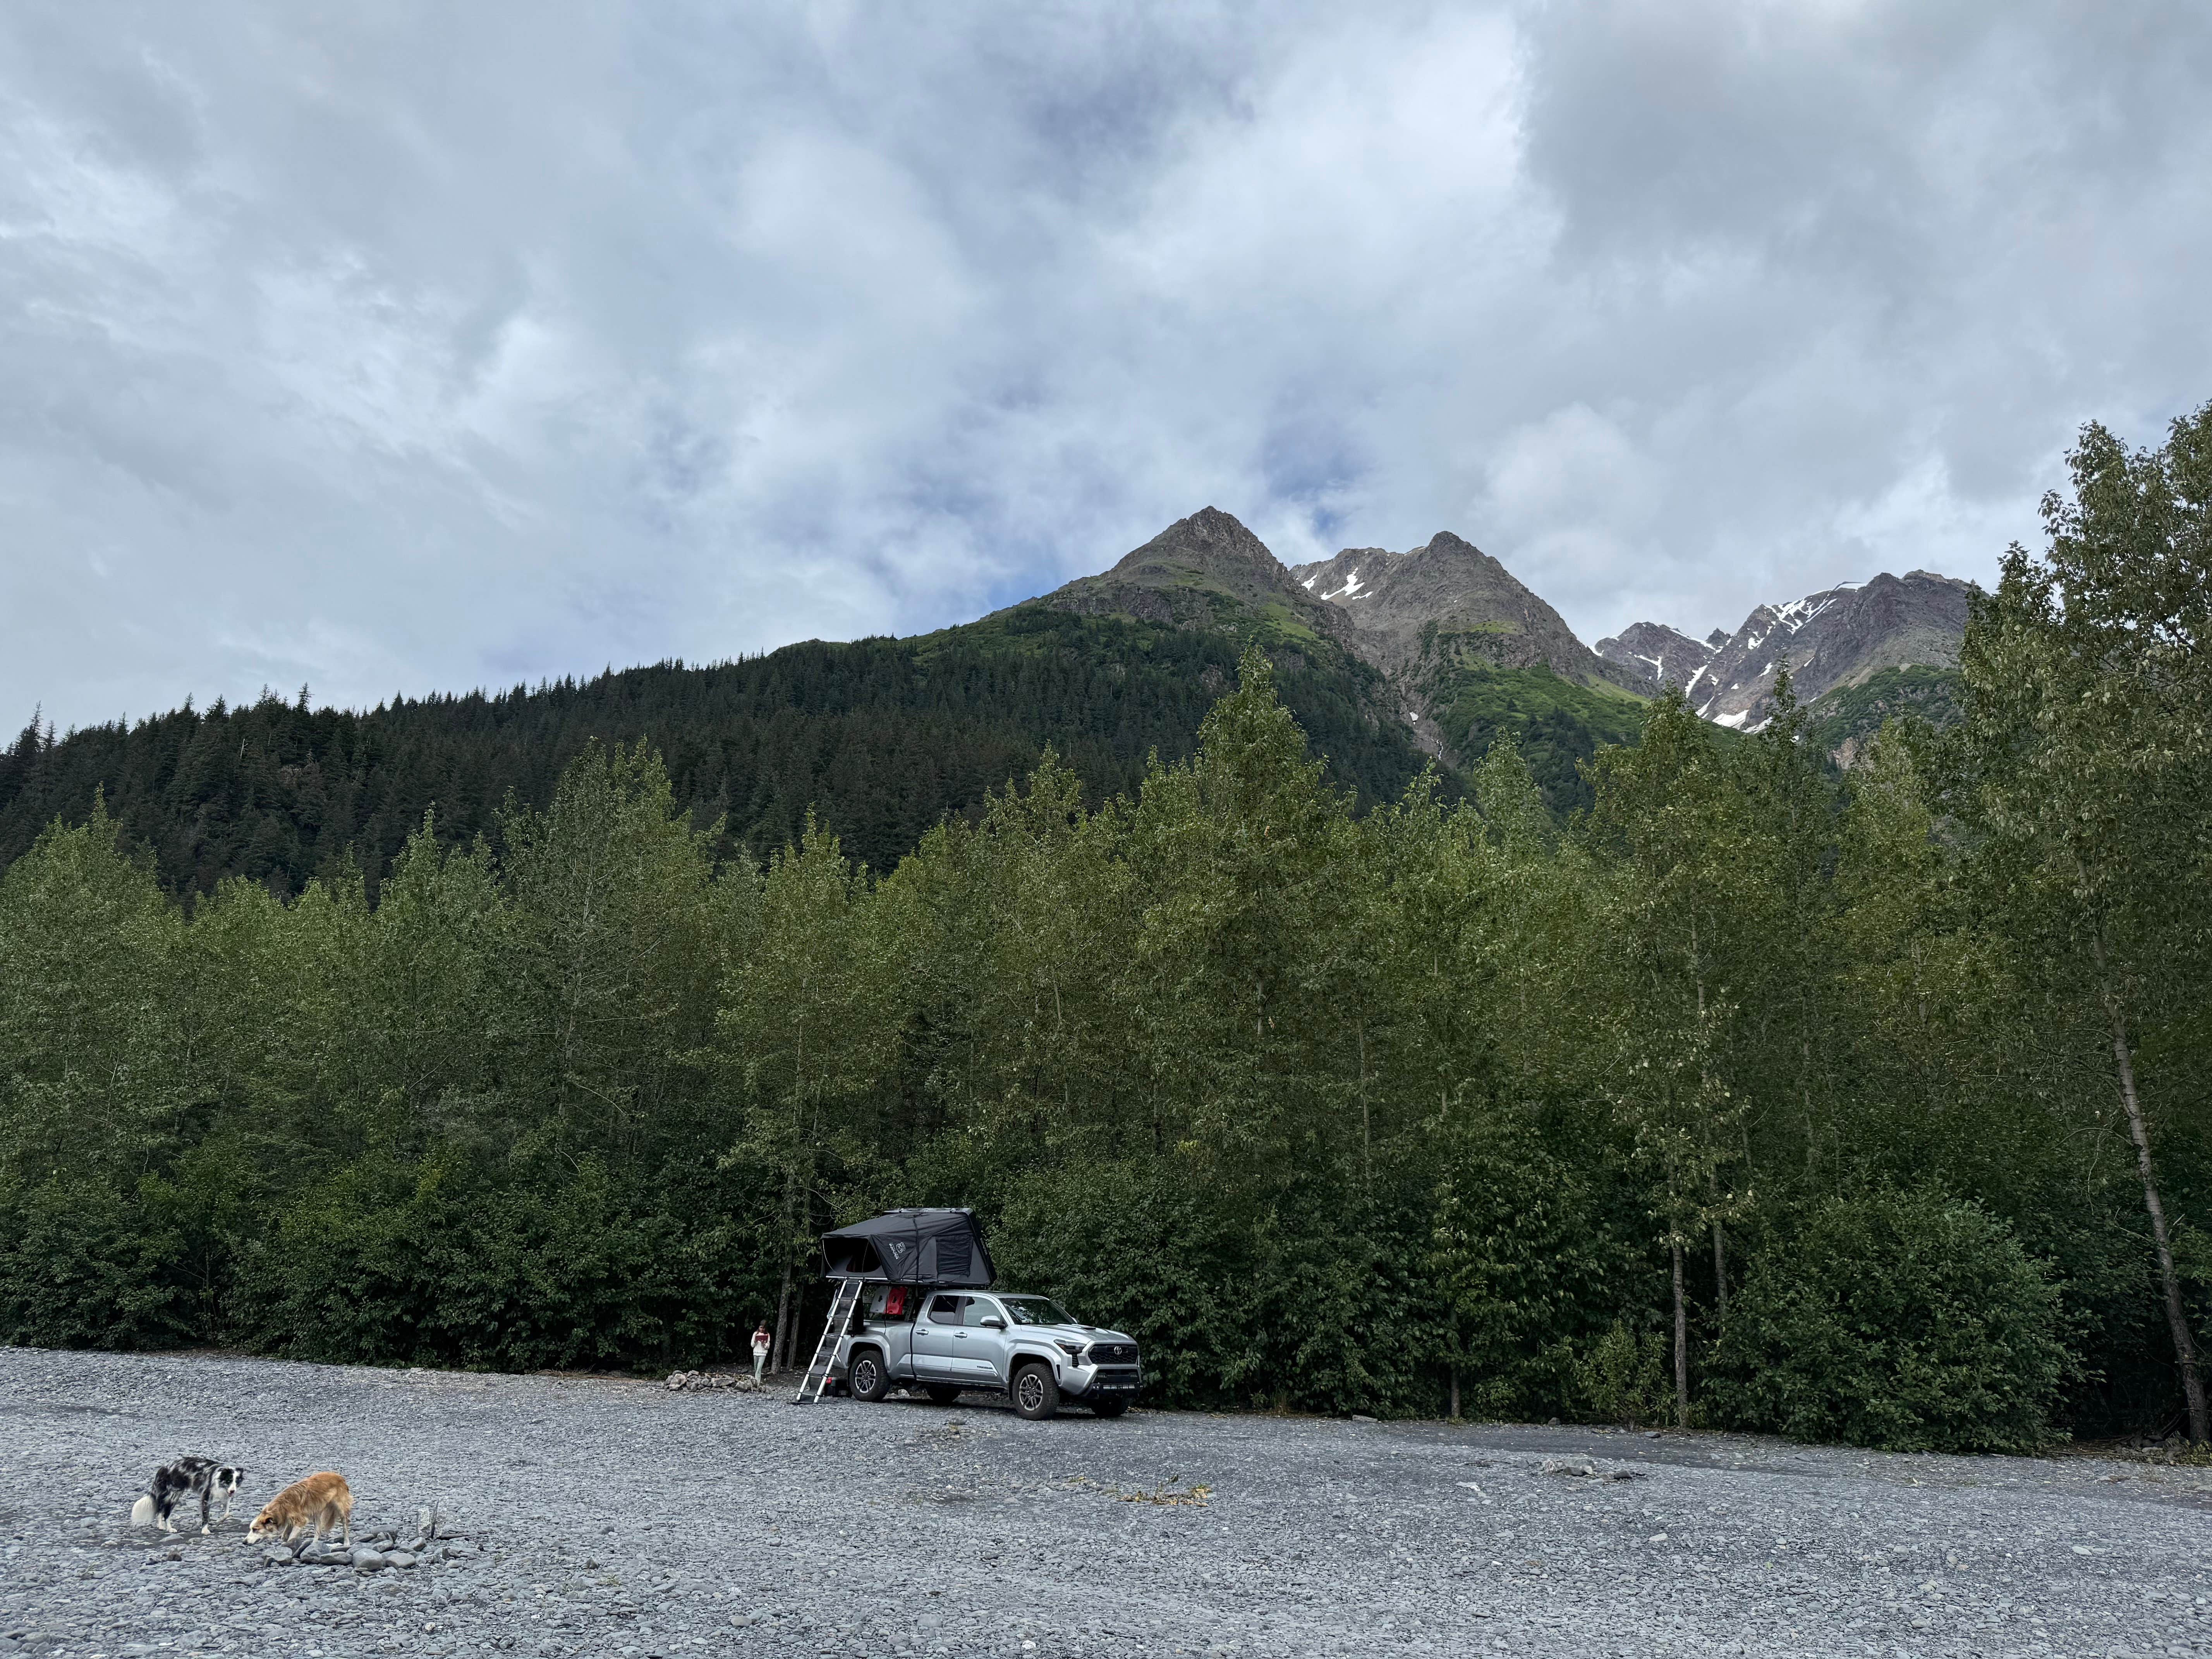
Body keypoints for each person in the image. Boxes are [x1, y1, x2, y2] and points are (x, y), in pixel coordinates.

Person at [751, 1320, 772, 1385]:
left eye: (763, 1328)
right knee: (756, 1368)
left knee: (759, 1369)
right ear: (759, 1328)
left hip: (763, 1354)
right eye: (761, 1328)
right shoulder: (755, 1334)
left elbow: (768, 1347)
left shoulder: (767, 1335)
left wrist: (764, 1344)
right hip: (756, 1353)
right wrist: (755, 1341)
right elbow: (752, 1345)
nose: (762, 1329)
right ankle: (755, 1381)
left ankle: (757, 1383)